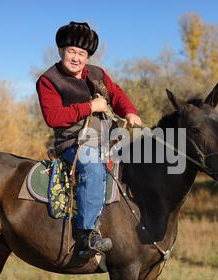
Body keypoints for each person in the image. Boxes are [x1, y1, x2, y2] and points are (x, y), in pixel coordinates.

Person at [36, 21, 142, 258]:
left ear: (87, 56)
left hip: (108, 140)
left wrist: (129, 111)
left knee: (144, 158)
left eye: (81, 53)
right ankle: (86, 235)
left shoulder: (98, 74)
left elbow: (116, 94)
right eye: (71, 51)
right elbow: (53, 117)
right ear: (61, 51)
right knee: (93, 166)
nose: (76, 58)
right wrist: (89, 106)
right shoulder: (49, 80)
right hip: (74, 143)